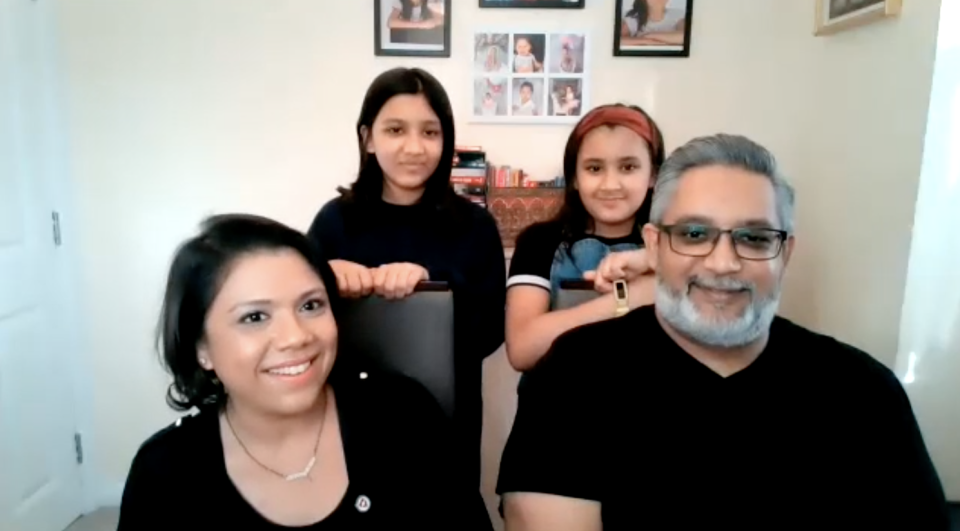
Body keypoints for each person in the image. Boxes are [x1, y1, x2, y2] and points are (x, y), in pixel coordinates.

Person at [497, 134, 951, 530]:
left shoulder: (863, 393)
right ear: (655, 245)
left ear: (785, 254)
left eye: (754, 239)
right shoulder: (573, 377)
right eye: (695, 234)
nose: (723, 263)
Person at [117, 214, 489, 529]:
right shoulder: (165, 473)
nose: (296, 337)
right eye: (254, 317)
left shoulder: (402, 414)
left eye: (311, 305)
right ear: (201, 348)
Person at [307, 68, 506, 494]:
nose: (414, 147)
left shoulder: (475, 226)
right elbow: (297, 321)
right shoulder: (334, 221)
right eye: (395, 129)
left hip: (446, 418)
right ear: (368, 138)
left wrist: (431, 286)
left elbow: (491, 333)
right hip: (345, 417)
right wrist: (323, 283)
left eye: (430, 133)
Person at [504, 103, 664, 371]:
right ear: (574, 178)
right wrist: (630, 298)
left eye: (628, 167)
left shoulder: (674, 245)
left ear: (653, 175)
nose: (610, 184)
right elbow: (522, 349)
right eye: (594, 169)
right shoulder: (538, 242)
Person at [620, 0, 687, 46]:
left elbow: (684, 36)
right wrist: (646, 41)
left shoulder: (677, 15)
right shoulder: (633, 19)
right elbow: (618, 39)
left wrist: (648, 36)